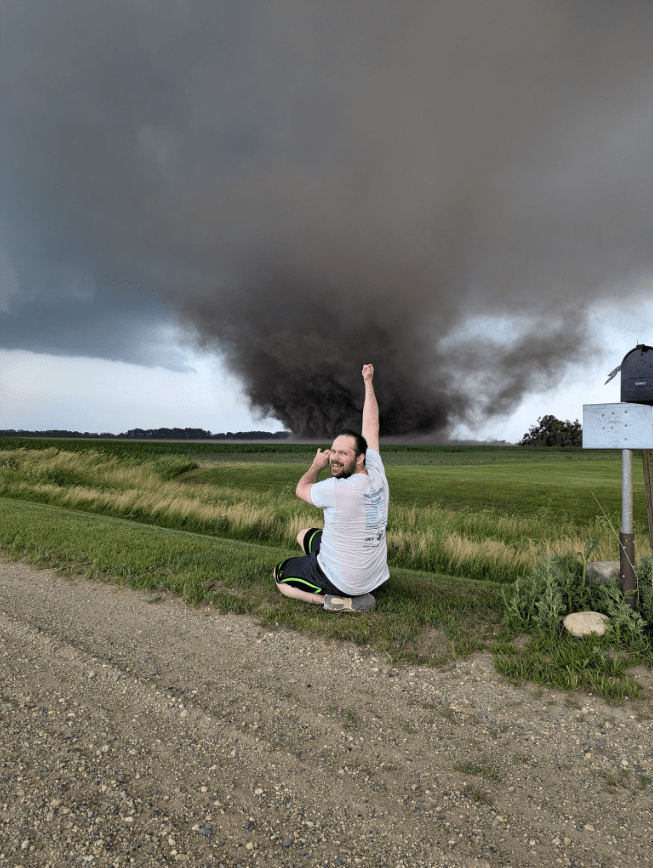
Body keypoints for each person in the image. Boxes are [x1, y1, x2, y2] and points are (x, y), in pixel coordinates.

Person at [274, 364, 389, 612]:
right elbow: (371, 426)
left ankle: (334, 601)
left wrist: (316, 466)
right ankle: (332, 568)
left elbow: (301, 488)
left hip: (344, 581)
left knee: (280, 576)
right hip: (374, 575)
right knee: (303, 534)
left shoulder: (337, 488)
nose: (335, 458)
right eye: (333, 451)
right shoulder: (376, 471)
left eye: (343, 454)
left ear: (359, 458)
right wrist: (368, 382)